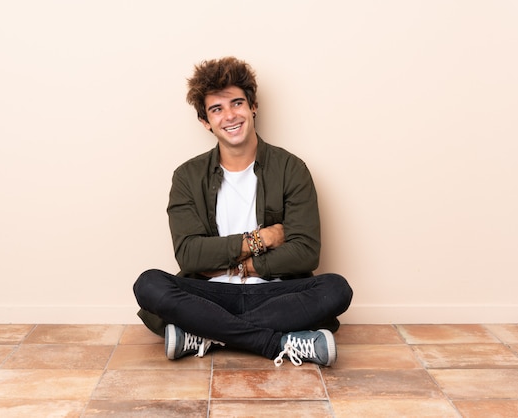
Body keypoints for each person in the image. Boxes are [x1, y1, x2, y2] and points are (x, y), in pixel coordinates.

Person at [133, 57, 353, 367]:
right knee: (149, 284)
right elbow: (189, 255)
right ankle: (275, 342)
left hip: (275, 294)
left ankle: (205, 334)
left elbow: (306, 253)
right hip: (209, 295)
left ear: (253, 107)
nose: (230, 116)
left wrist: (243, 268)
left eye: (237, 103)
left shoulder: (291, 168)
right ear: (205, 122)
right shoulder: (187, 176)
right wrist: (261, 239)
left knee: (336, 289)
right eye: (217, 109)